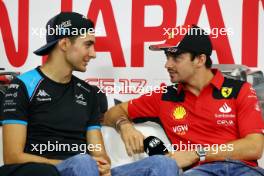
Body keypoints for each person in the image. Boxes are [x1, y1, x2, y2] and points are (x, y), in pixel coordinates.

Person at [0, 12, 179, 176]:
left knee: (163, 164)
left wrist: (102, 164)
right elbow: (13, 157)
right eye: (88, 45)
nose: (93, 54)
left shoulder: (88, 92)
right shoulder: (23, 85)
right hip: (47, 171)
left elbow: (98, 152)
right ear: (64, 43)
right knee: (82, 162)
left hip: (87, 171)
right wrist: (72, 164)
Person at [104, 24, 264, 175]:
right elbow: (112, 113)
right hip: (200, 172)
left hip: (244, 169)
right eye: (167, 56)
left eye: (176, 57)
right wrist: (124, 126)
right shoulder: (164, 96)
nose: (167, 64)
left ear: (200, 60)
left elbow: (254, 146)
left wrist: (197, 153)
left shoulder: (240, 89)